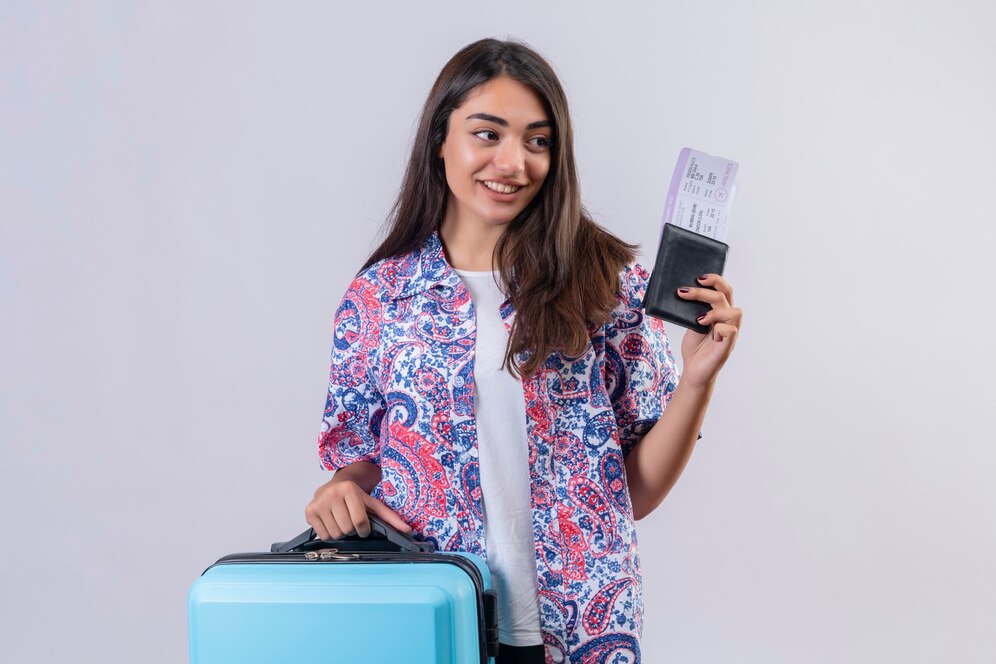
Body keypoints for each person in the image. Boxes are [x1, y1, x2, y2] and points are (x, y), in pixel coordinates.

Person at [305, 38, 742, 664]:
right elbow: (363, 462)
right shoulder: (379, 298)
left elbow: (632, 493)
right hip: (437, 623)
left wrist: (697, 380)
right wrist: (339, 490)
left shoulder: (606, 285)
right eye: (488, 134)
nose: (513, 162)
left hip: (585, 629)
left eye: (537, 141)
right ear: (440, 138)